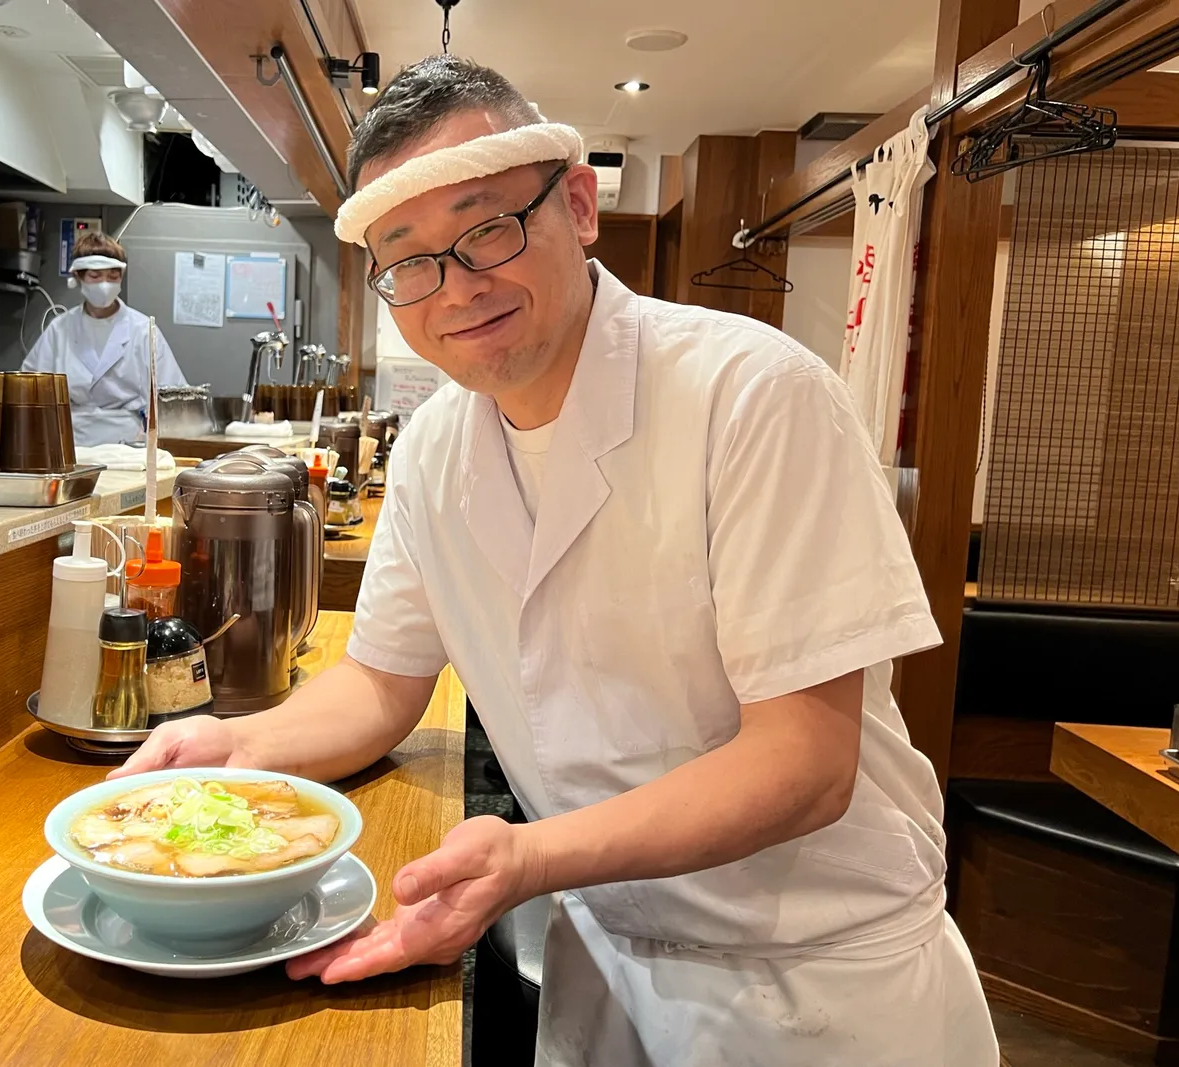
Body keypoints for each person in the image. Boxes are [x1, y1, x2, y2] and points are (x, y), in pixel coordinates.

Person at [112, 54, 1000, 1066]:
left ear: (577, 205)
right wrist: (226, 751)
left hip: (810, 982)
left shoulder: (753, 392)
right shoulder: (436, 446)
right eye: (409, 259)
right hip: (608, 951)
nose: (456, 286)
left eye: (486, 227)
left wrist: (531, 854)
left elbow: (803, 762)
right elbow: (377, 683)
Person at [22, 231, 186, 446]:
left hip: (129, 445)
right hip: (72, 444)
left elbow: (173, 397)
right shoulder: (60, 329)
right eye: (95, 276)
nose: (104, 284)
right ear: (79, 277)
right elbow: (29, 390)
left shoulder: (143, 330)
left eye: (112, 276)